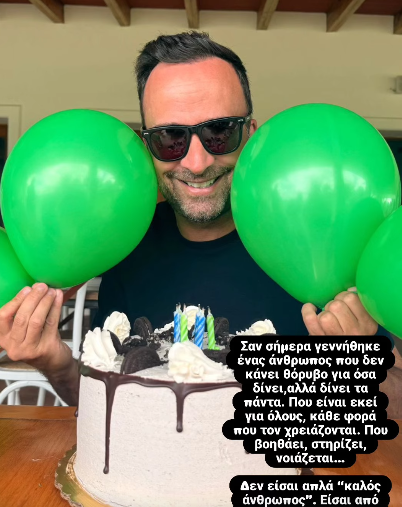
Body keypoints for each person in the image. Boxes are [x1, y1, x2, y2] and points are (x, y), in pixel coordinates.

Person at [0, 32, 401, 408]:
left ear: (251, 135)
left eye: (219, 132)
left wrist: (364, 371)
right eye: (170, 138)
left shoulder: (326, 244)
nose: (196, 162)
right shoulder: (125, 243)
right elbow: (106, 404)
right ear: (147, 146)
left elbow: (396, 399)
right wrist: (53, 361)